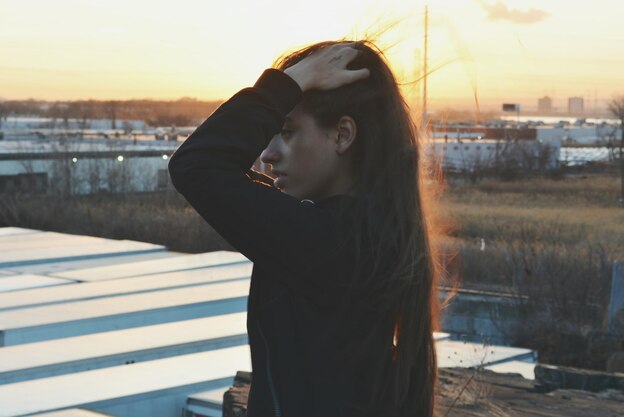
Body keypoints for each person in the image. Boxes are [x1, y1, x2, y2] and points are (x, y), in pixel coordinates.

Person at [168, 39, 443, 417]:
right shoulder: (366, 232)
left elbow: (199, 165)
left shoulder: (332, 244)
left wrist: (288, 82)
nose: (267, 154)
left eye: (288, 131)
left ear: (343, 135)